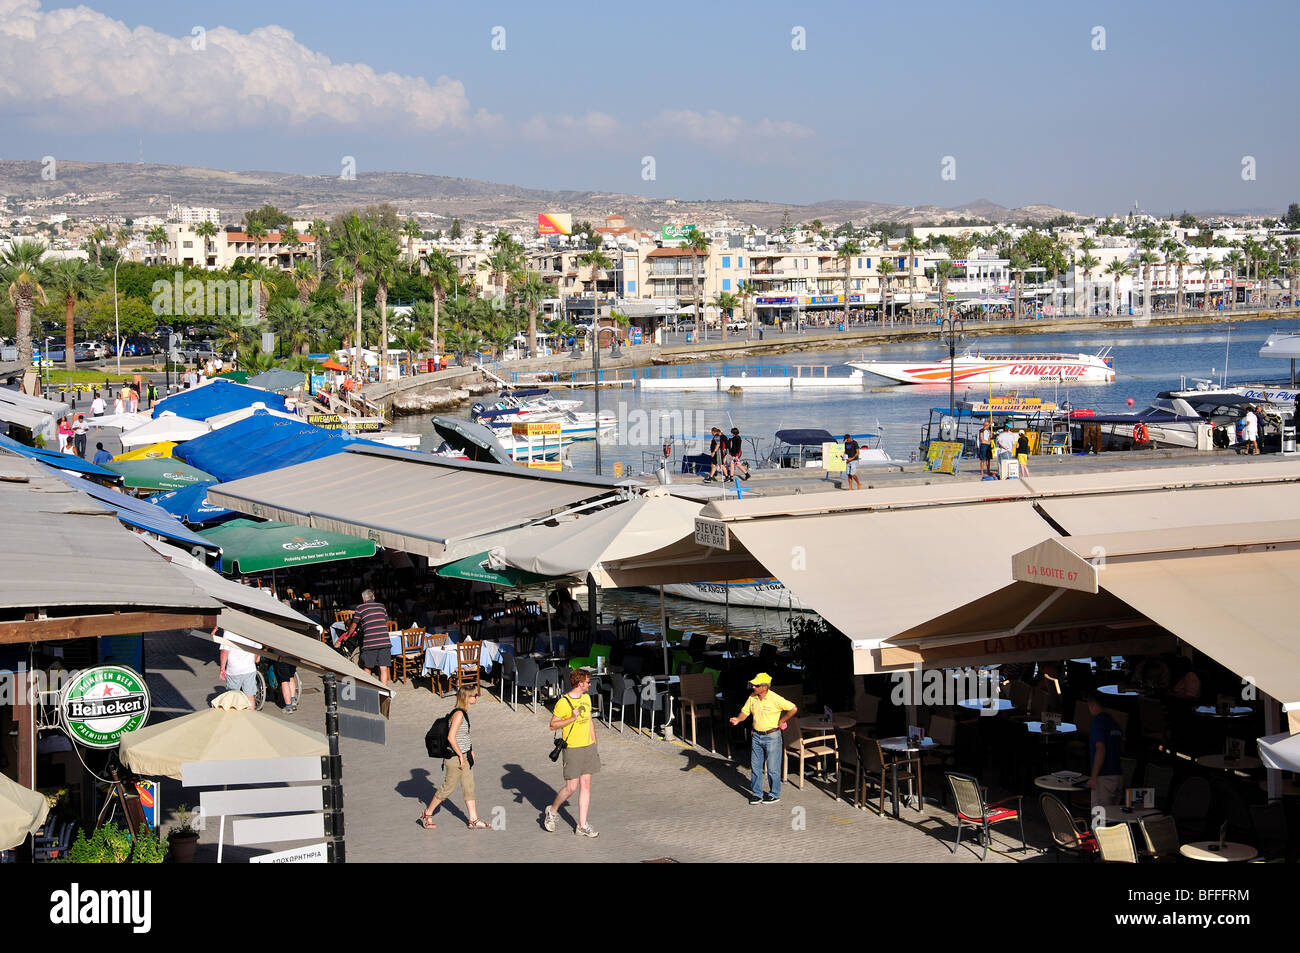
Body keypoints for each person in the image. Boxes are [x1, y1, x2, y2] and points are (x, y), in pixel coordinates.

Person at [420, 686, 490, 829]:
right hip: (455, 758)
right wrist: (460, 755)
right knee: (448, 787)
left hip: (465, 755)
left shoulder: (463, 713)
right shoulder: (458, 714)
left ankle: (473, 819)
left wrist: (470, 750)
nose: (477, 697)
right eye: (475, 695)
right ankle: (427, 813)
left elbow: (463, 736)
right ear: (467, 697)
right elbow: (451, 737)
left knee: (469, 786)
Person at [544, 669, 600, 837]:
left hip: (588, 746)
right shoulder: (564, 702)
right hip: (572, 748)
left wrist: (594, 743)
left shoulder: (587, 698)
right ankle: (552, 811)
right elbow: (552, 725)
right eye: (588, 682)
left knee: (586, 785)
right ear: (580, 683)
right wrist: (571, 718)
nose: (590, 685)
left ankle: (582, 825)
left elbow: (589, 720)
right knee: (571, 787)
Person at [729, 673, 797, 804]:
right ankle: (757, 794)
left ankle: (774, 794)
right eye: (753, 684)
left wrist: (782, 720)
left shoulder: (775, 698)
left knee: (773, 768)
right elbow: (745, 712)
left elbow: (793, 708)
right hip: (756, 736)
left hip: (772, 736)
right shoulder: (752, 697)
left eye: (756, 685)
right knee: (755, 767)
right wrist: (738, 719)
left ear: (765, 687)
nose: (753, 686)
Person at [344, 589, 391, 685]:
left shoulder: (360, 608)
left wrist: (347, 636)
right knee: (383, 668)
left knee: (367, 667)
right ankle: (385, 693)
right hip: (384, 641)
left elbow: (354, 625)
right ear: (373, 597)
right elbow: (385, 621)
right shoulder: (381, 606)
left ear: (363, 599)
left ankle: (369, 691)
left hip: (370, 642)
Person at [1086, 692, 1124, 808]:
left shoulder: (1098, 722)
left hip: (1104, 776)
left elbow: (1101, 749)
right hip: (1118, 775)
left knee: (1099, 819)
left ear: (1092, 704)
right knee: (1113, 818)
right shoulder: (1114, 723)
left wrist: (1093, 777)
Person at [217, 628, 260, 704]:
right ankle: (250, 715)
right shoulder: (252, 630)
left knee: (233, 696)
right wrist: (253, 661)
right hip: (249, 668)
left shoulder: (229, 632)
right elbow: (257, 649)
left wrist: (222, 669)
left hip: (234, 669)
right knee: (250, 696)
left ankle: (235, 714)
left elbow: (224, 651)